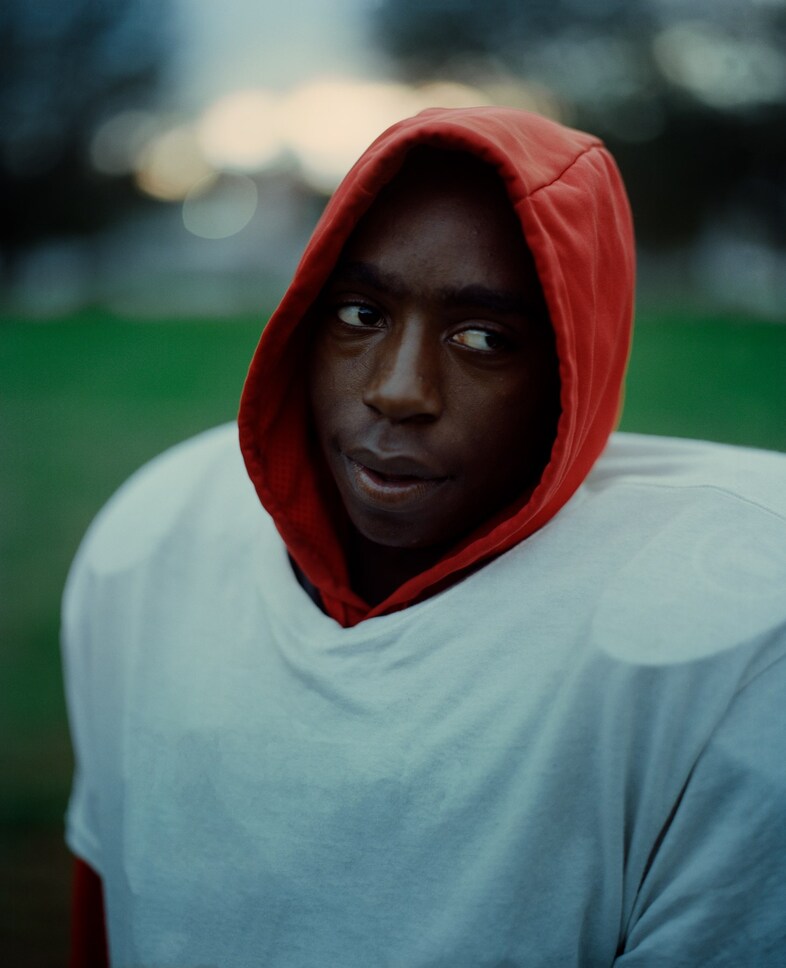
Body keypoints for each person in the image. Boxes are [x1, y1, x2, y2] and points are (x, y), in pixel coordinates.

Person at [62, 107, 786, 966]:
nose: (399, 389)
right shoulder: (159, 535)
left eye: (483, 339)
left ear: (573, 369)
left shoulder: (729, 633)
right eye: (358, 313)